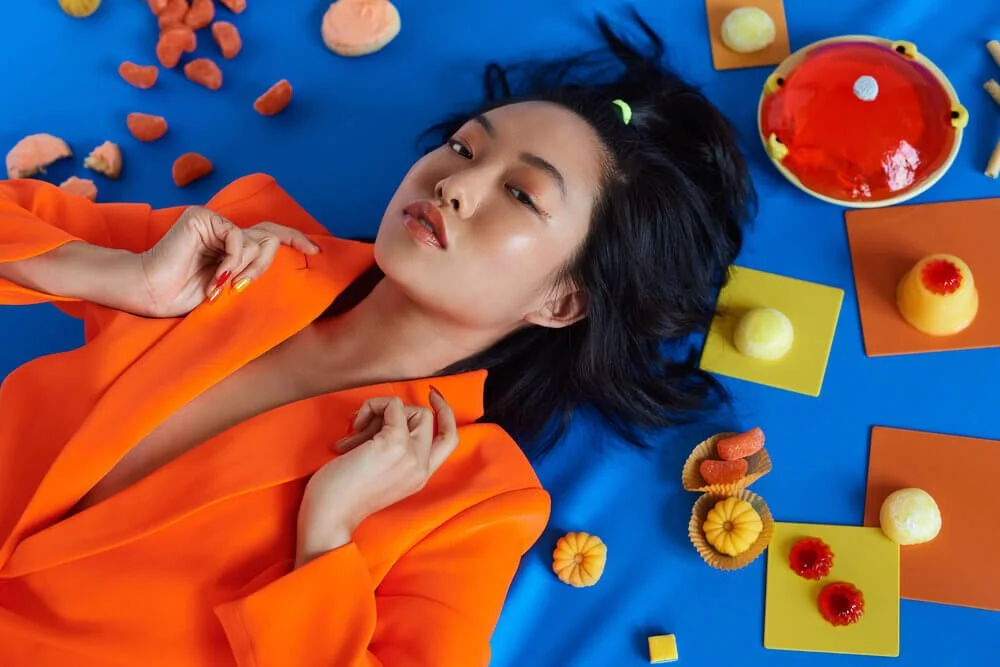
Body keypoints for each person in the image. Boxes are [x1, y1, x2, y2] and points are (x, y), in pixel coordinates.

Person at [0, 12, 754, 667]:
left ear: (563, 302)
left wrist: (327, 537)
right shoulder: (242, 251)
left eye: (521, 194)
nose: (453, 186)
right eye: (464, 149)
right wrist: (119, 277)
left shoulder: (477, 501)